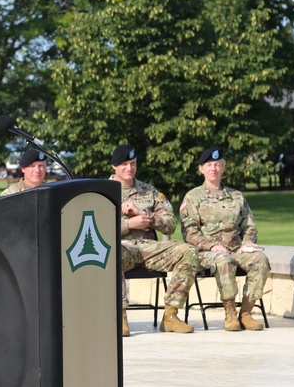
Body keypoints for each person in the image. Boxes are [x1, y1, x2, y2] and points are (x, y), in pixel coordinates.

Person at [111, 144, 199, 336]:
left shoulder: (148, 191)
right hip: (121, 248)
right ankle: (120, 317)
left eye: (133, 163)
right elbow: (95, 228)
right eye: (124, 164)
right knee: (112, 255)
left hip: (149, 248)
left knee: (189, 252)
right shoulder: (102, 192)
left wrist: (147, 217)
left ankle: (171, 316)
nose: (129, 168)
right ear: (114, 167)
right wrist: (129, 224)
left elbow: (170, 224)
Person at [179, 147, 270, 331]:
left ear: (223, 167)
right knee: (224, 259)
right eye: (209, 165)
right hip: (206, 253)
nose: (213, 168)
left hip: (236, 249)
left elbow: (249, 226)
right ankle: (230, 314)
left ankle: (245, 313)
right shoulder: (193, 197)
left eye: (217, 164)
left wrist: (247, 243)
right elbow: (189, 233)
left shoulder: (236, 196)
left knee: (261, 260)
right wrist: (212, 246)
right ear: (201, 169)